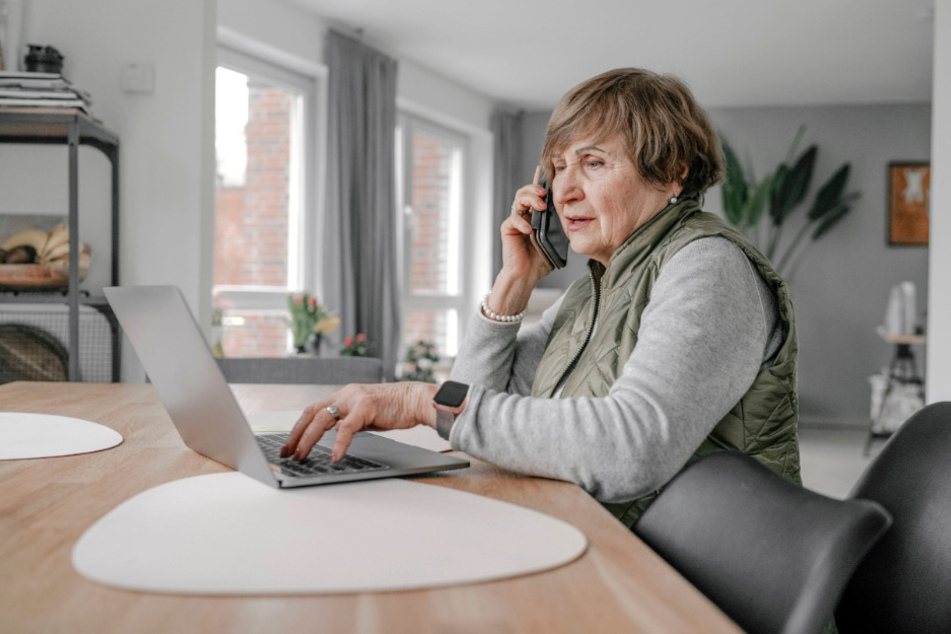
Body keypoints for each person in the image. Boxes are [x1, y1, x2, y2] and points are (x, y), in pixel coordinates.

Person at [282, 67, 801, 528]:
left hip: (699, 584)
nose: (562, 191)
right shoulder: (592, 288)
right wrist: (516, 281)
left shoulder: (707, 266)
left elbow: (631, 449)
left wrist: (420, 400)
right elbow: (478, 411)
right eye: (557, 166)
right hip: (603, 536)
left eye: (593, 163)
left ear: (672, 171)